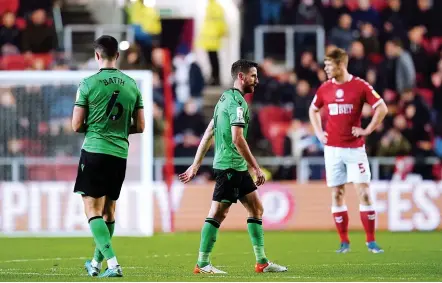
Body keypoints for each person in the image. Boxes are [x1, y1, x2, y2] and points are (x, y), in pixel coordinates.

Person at [179, 59, 287, 274]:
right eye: (253, 76)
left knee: (256, 208)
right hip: (229, 167)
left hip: (236, 167)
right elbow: (238, 139)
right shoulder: (237, 103)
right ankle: (202, 263)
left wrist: (195, 164)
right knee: (218, 213)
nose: (257, 80)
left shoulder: (223, 100)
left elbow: (209, 132)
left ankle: (262, 262)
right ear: (241, 77)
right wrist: (256, 168)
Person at [72, 35, 145, 277]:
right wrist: (119, 129)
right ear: (118, 56)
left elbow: (76, 125)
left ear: (97, 56)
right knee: (109, 210)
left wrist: (95, 127)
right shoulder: (132, 84)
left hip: (94, 151)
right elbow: (141, 126)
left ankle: (112, 264)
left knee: (91, 208)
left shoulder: (88, 84)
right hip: (119, 154)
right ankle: (95, 263)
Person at [308, 48, 388, 254]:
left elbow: (382, 107)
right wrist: (318, 132)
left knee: (364, 193)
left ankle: (371, 241)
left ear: (341, 64)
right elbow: (313, 109)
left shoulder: (360, 86)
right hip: (332, 149)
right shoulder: (325, 88)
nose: (326, 69)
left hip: (355, 149)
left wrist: (368, 129)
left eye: (329, 65)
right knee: (337, 193)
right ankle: (344, 242)